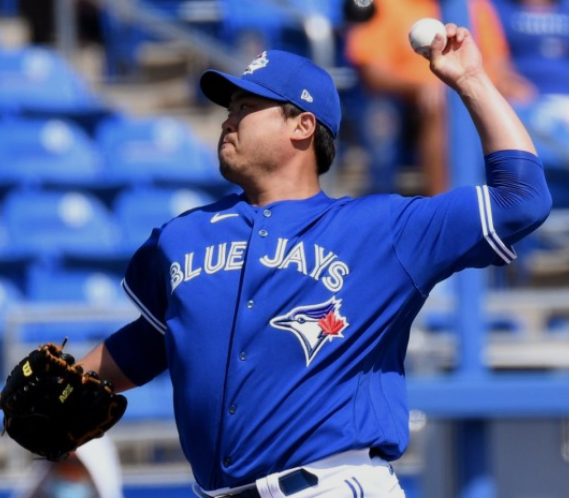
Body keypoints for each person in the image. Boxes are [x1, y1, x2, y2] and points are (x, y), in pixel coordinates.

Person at [78, 23, 551, 498]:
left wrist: (470, 80)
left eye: (246, 108)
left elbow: (523, 200)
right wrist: (70, 387)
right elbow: (152, 341)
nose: (228, 121)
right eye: (229, 109)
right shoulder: (183, 236)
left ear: (302, 126)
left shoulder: (381, 229)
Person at [344, 0, 533, 196]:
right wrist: (420, 87)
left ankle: (511, 197)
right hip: (405, 104)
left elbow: (499, 66)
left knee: (522, 105)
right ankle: (444, 203)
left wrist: (510, 87)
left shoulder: (473, 5)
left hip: (465, 95)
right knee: (436, 104)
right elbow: (374, 76)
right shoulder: (384, 4)